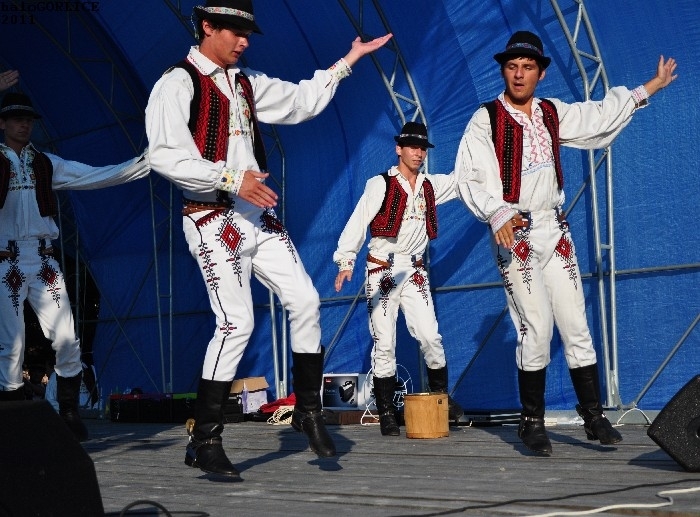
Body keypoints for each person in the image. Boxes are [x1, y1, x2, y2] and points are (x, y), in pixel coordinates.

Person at [144, 0, 392, 478]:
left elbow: (300, 101)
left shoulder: (246, 83)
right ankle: (205, 438)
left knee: (305, 300)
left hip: (258, 217)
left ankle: (308, 410)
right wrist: (231, 178)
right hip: (212, 217)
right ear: (207, 26)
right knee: (235, 323)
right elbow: (165, 157)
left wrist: (348, 61)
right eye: (235, 32)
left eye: (248, 34)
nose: (244, 42)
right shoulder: (177, 83)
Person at [454, 30, 677, 455]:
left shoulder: (551, 112)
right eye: (512, 66)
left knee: (575, 322)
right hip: (515, 231)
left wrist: (650, 87)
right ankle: (532, 422)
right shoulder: (487, 119)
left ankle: (593, 415)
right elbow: (469, 176)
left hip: (554, 230)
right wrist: (496, 212)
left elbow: (597, 117)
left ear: (540, 73)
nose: (519, 74)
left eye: (528, 67)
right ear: (504, 71)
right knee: (537, 326)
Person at [0, 91, 150, 441]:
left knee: (67, 338)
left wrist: (145, 162)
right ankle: (13, 420)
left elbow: (94, 176)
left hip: (43, 259)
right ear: (2, 123)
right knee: (11, 344)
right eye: (17, 119)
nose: (25, 125)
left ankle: (68, 411)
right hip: (7, 261)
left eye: (29, 119)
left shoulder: (46, 163)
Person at [333, 122, 464, 436]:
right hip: (384, 271)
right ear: (399, 149)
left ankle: (440, 401)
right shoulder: (380, 184)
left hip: (414, 270)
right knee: (385, 341)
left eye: (422, 149)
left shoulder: (430, 185)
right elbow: (358, 220)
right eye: (413, 147)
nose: (418, 153)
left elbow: (462, 182)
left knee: (431, 336)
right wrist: (346, 259)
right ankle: (387, 413)